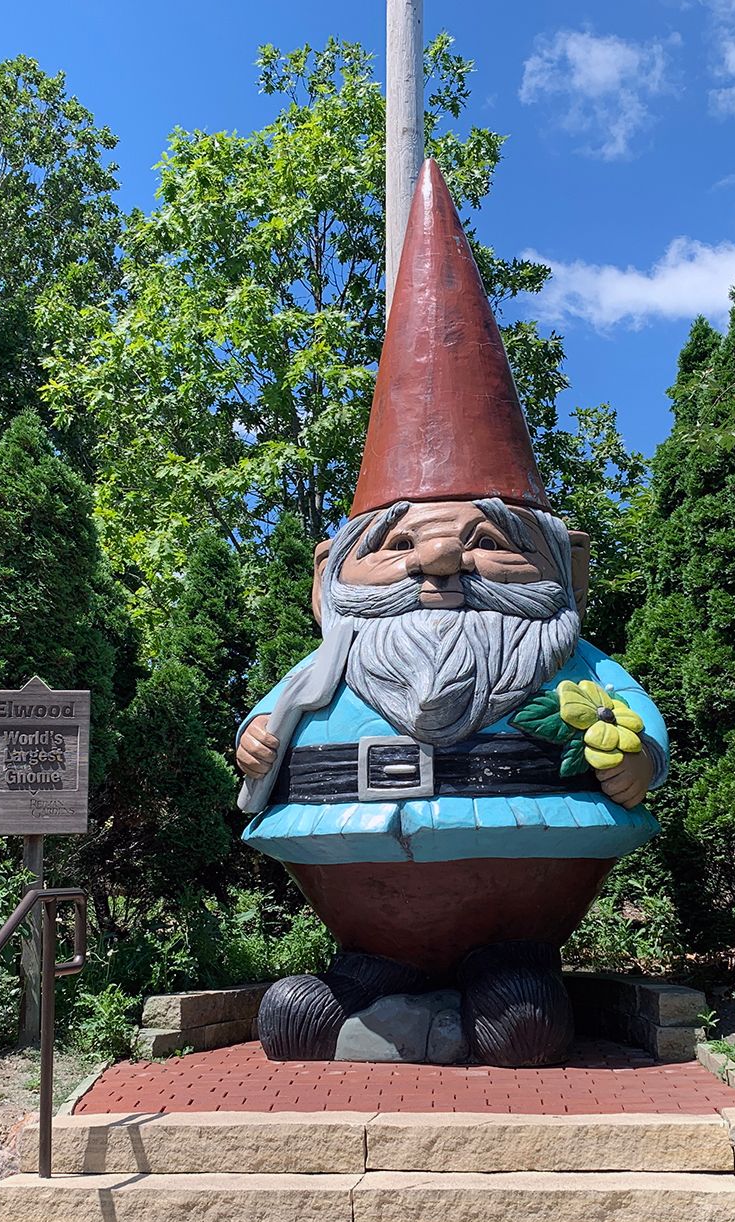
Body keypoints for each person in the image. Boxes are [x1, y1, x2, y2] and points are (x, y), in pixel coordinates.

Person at [233, 161, 667, 1067]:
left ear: (564, 569)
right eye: (397, 546)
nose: (436, 560)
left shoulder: (563, 657)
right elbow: (273, 717)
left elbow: (636, 730)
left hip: (515, 918)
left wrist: (637, 759)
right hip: (365, 918)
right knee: (289, 1021)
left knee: (523, 1029)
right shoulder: (335, 658)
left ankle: (438, 1015)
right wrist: (257, 738)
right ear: (329, 579)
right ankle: (386, 1001)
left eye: (481, 542)